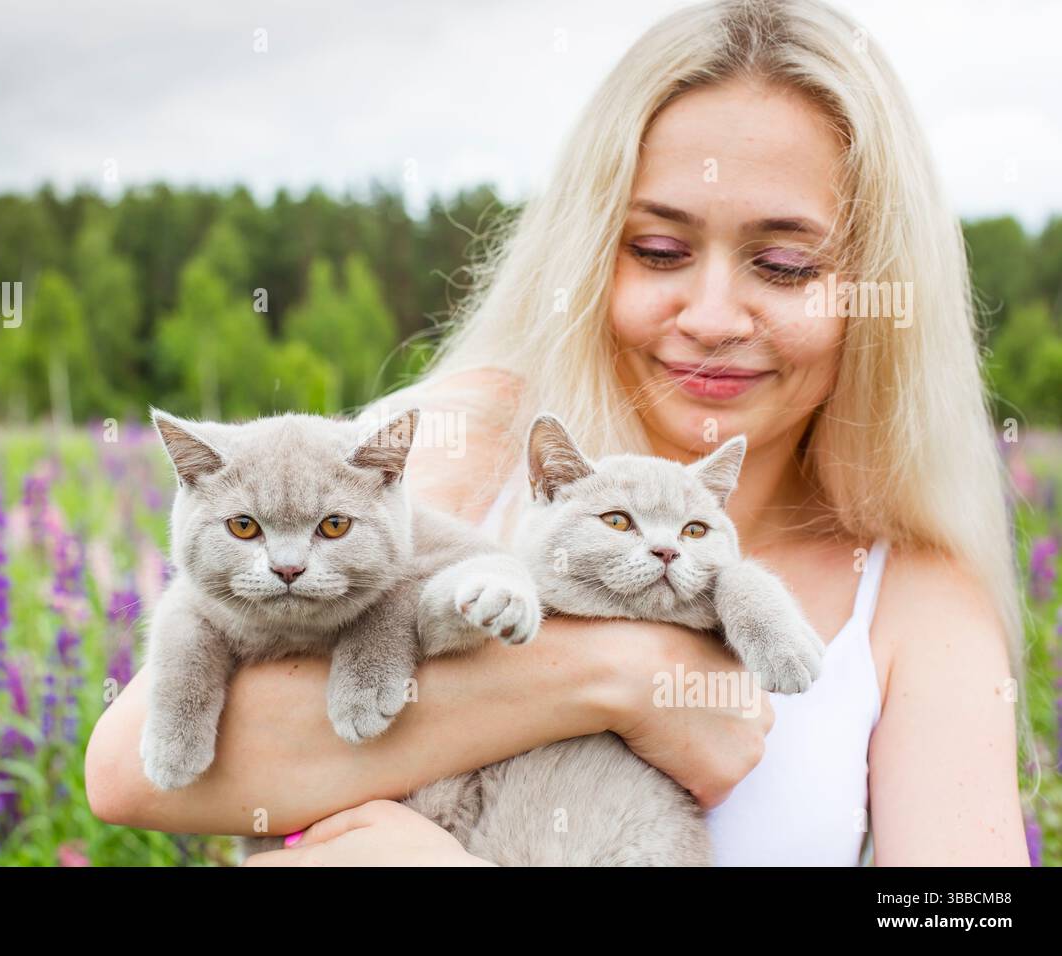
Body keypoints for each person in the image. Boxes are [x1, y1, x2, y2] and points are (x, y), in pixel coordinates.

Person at [85, 0, 1030, 866]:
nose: (711, 313)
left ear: (875, 291)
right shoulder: (475, 437)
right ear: (588, 247)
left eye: (783, 266)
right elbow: (132, 773)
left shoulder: (912, 598)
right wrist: (620, 674)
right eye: (657, 249)